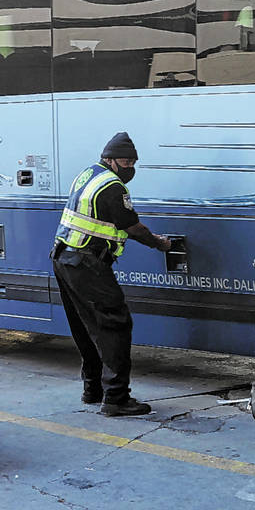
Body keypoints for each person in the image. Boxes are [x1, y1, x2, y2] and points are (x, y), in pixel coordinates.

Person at [51, 132, 173, 417]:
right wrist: (159, 243)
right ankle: (116, 398)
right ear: (110, 159)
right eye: (126, 161)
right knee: (115, 324)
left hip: (63, 257)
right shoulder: (112, 186)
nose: (130, 167)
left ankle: (93, 388)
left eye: (133, 162)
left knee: (86, 325)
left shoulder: (89, 174)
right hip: (86, 263)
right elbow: (134, 228)